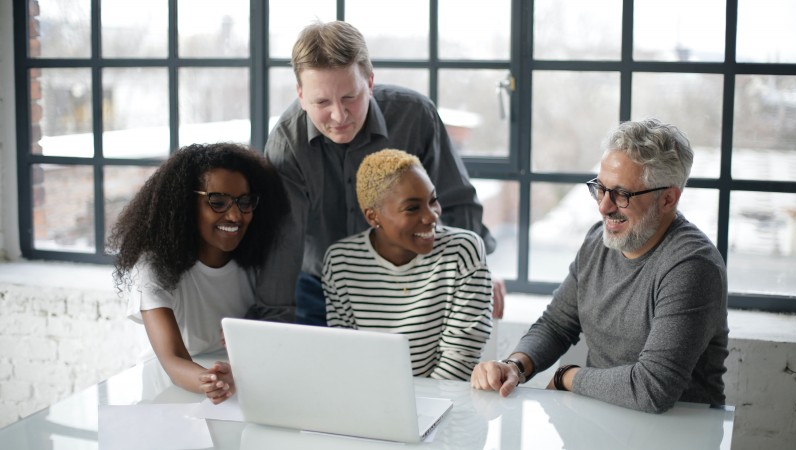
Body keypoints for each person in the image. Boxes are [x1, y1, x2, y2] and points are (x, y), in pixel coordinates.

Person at [471, 119, 729, 413]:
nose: (603, 206)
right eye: (600, 188)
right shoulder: (598, 239)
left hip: (681, 429)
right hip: (602, 415)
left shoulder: (692, 266)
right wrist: (515, 365)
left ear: (668, 198)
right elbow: (556, 325)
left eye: (622, 194)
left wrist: (565, 376)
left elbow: (652, 389)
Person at [261, 20, 504, 327]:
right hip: (317, 289)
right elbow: (282, 244)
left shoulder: (415, 116)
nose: (338, 115)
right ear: (300, 94)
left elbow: (457, 205)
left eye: (350, 97)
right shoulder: (288, 142)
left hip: (413, 285)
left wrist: (475, 274)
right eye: (322, 102)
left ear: (370, 83)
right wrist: (267, 327)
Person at [109, 142, 291, 404]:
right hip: (170, 393)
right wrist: (211, 381)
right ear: (184, 205)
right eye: (217, 202)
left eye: (245, 202)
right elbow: (173, 359)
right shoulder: (154, 267)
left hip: (238, 386)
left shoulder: (258, 259)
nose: (235, 215)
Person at [322, 149, 494, 381]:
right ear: (373, 217)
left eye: (433, 200)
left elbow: (460, 357)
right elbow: (347, 353)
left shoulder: (463, 251)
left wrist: (419, 411)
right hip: (371, 400)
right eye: (413, 208)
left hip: (445, 403)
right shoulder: (340, 261)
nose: (431, 216)